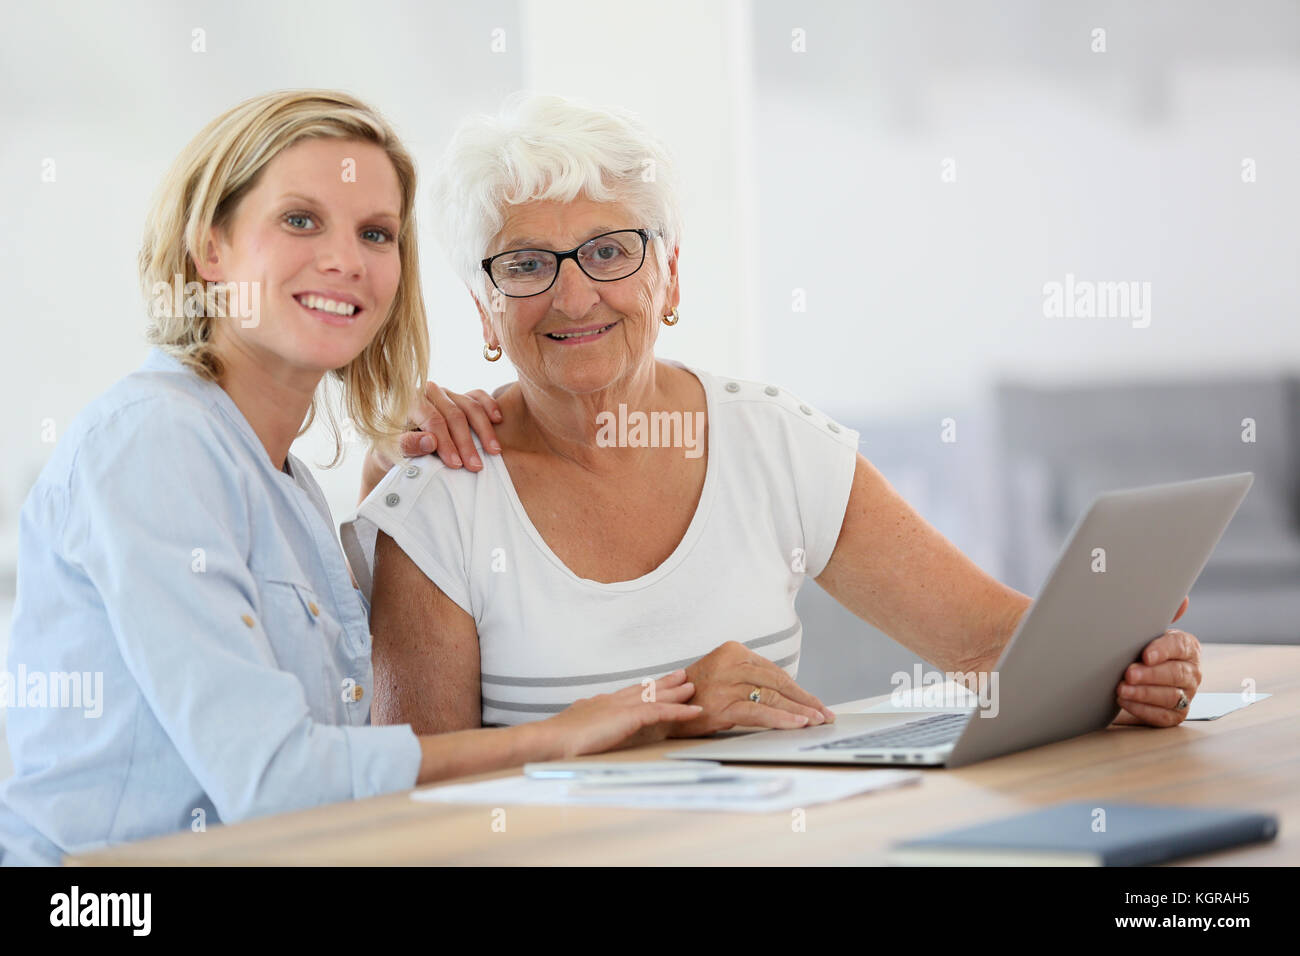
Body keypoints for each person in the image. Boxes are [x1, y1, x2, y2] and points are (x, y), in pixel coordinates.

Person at [344, 92, 1202, 738]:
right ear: (485, 309)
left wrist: (1124, 665)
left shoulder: (773, 444)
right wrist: (665, 712)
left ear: (669, 276)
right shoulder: (442, 494)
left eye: (610, 251)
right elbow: (417, 797)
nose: (575, 294)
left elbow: (985, 647)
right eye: (527, 263)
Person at [0, 90, 702, 867]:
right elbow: (277, 781)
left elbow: (338, 753)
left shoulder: (283, 479)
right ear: (212, 251)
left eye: (376, 233)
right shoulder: (154, 443)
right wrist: (559, 736)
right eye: (300, 220)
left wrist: (383, 475)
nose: (344, 260)